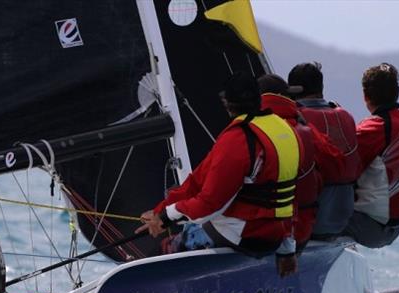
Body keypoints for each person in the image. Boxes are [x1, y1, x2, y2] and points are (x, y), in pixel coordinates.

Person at [137, 71, 300, 277]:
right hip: (275, 237)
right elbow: (290, 202)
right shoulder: (284, 130)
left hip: (243, 235)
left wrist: (166, 217)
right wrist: (288, 249)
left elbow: (209, 206)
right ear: (259, 98)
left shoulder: (236, 140)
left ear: (226, 103)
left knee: (162, 251)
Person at [343, 63, 399, 247]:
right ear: (397, 91)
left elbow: (338, 169)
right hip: (395, 225)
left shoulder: (374, 129)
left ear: (365, 96)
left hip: (371, 226)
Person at [257, 74, 344, 251]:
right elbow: (336, 163)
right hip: (301, 232)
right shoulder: (306, 131)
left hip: (263, 234)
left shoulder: (250, 132)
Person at [288, 62, 362, 239]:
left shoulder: (292, 118)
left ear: (293, 90)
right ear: (321, 87)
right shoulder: (345, 116)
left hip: (310, 222)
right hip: (342, 219)